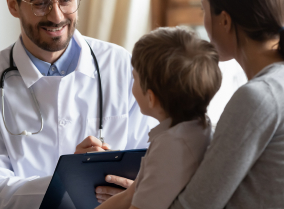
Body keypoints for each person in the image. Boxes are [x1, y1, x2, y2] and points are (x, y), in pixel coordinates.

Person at [0, 0, 156, 208]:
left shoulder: (121, 66)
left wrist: (132, 187)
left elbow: (152, 161)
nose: (57, 17)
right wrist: (72, 178)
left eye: (66, 1)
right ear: (13, 6)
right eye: (41, 3)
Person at [169, 0, 284, 208]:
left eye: (204, 11)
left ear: (225, 20)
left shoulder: (260, 97)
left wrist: (139, 196)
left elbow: (193, 206)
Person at [95, 27, 222, 209]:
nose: (131, 85)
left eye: (134, 79)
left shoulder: (170, 148)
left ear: (151, 97)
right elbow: (130, 195)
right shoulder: (199, 129)